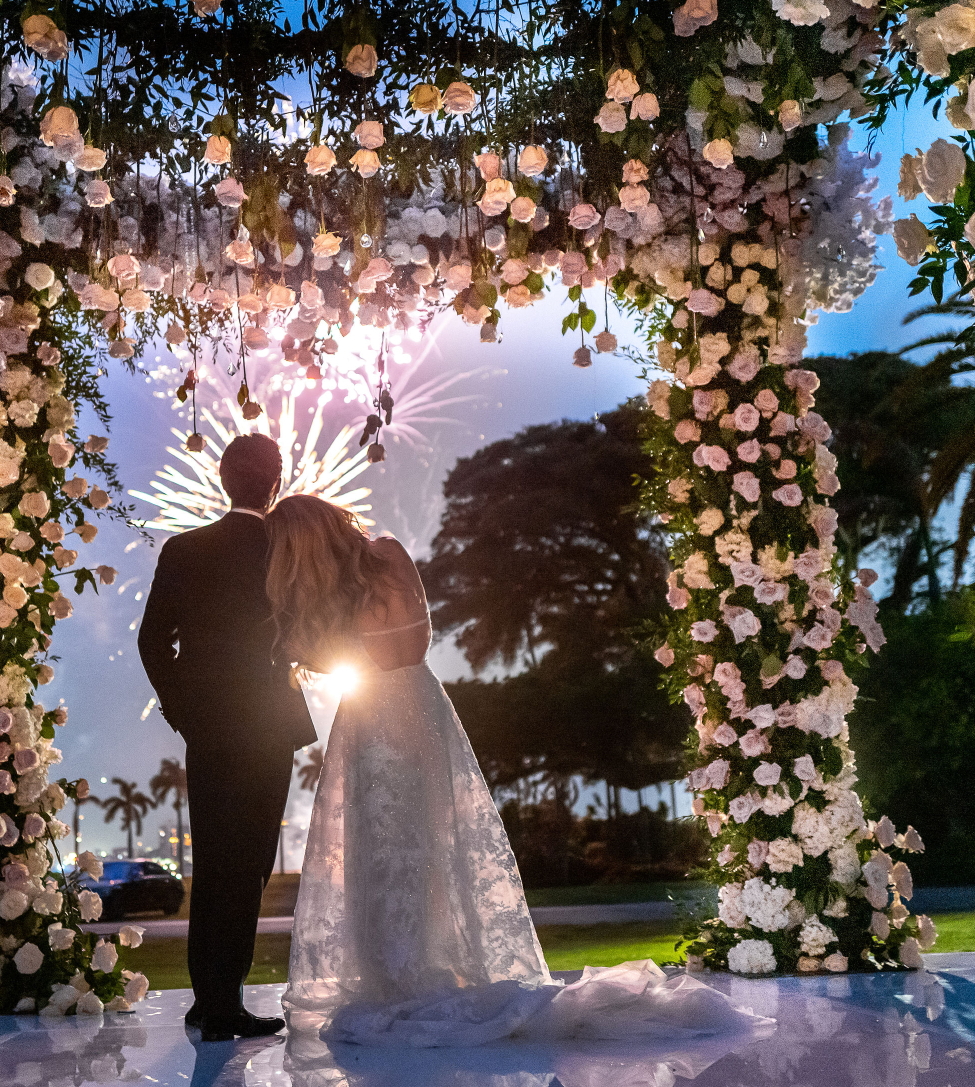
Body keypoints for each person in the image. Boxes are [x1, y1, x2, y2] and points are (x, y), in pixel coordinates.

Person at [265, 494, 769, 1048]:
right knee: (433, 841)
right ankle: (437, 960)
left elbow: (315, 660)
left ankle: (397, 973)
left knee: (380, 849)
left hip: (363, 718)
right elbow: (420, 639)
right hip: (416, 703)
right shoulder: (387, 555)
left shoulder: (321, 600)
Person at [138, 434, 318, 1042]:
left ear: (220, 478)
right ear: (275, 481)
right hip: (267, 725)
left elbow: (151, 642)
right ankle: (222, 1003)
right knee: (250, 863)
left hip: (209, 729)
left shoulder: (183, 548)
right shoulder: (286, 545)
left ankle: (209, 996)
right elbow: (305, 632)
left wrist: (187, 714)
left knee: (215, 859)